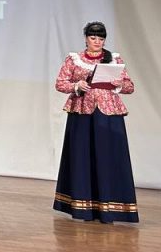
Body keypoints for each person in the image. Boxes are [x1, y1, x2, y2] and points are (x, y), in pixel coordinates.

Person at [53, 21, 138, 224]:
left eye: (100, 38)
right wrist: (77, 85)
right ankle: (84, 207)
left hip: (108, 115)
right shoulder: (74, 59)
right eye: (93, 38)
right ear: (86, 39)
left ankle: (109, 207)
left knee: (108, 157)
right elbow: (60, 83)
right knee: (83, 157)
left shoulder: (114, 59)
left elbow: (130, 87)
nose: (97, 42)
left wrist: (119, 84)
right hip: (82, 113)